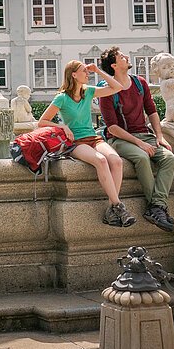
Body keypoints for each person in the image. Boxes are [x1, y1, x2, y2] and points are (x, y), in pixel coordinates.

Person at [36, 59, 135, 226]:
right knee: (101, 161)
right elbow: (42, 122)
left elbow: (117, 87)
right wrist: (62, 126)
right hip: (76, 142)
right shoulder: (62, 98)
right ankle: (118, 206)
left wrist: (98, 70)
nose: (87, 73)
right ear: (73, 75)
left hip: (93, 138)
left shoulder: (88, 91)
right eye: (84, 71)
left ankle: (112, 208)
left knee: (116, 161)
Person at [97, 47, 174, 232]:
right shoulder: (107, 90)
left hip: (144, 135)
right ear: (114, 65)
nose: (126, 56)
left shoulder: (140, 83)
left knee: (169, 158)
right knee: (141, 157)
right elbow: (112, 127)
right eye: (121, 56)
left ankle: (156, 206)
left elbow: (152, 111)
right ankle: (156, 208)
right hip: (120, 139)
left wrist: (159, 136)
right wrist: (139, 143)